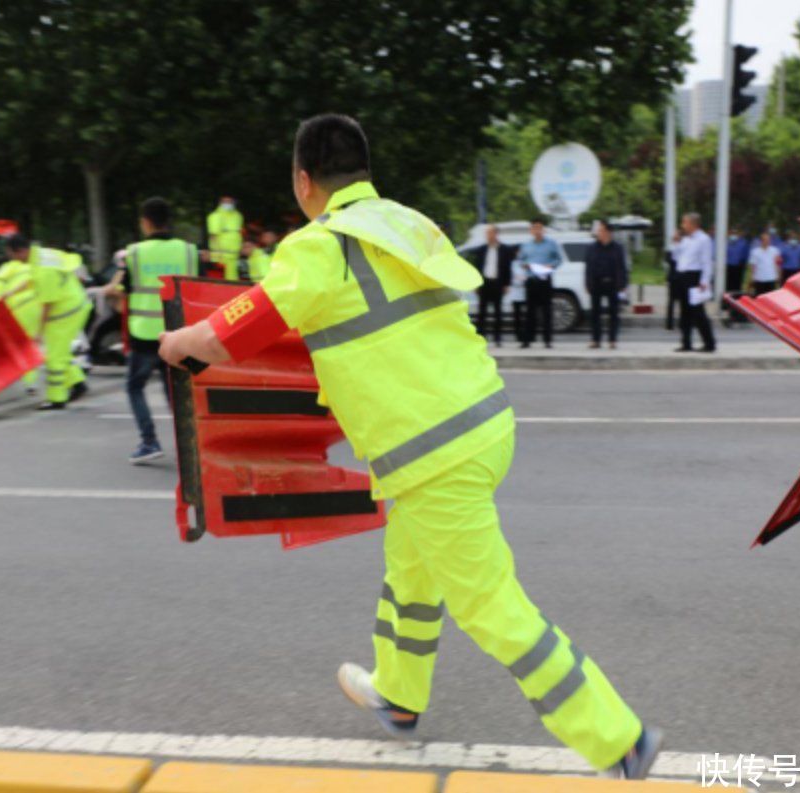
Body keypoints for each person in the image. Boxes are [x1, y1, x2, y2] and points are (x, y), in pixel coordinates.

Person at [156, 113, 662, 779]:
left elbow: (231, 334)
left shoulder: (319, 246)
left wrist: (176, 343)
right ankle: (398, 695)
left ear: (303, 180)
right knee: (411, 568)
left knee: (490, 605)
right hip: (480, 423)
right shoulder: (405, 222)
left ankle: (618, 739)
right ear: (364, 172)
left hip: (430, 451)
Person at [103, 197, 198, 461]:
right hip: (180, 333)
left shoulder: (134, 253)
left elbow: (120, 289)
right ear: (169, 221)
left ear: (145, 222)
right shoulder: (189, 251)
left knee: (135, 386)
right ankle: (190, 444)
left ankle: (149, 441)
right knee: (176, 391)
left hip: (144, 334)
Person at [2, 234, 91, 410]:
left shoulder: (43, 270)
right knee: (60, 350)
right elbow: (33, 281)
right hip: (74, 304)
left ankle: (57, 399)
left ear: (21, 251)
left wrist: (39, 333)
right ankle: (78, 382)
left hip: (66, 311)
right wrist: (11, 292)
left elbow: (47, 304)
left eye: (12, 256)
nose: (13, 260)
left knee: (54, 356)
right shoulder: (42, 255)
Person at [0, 253, 42, 394]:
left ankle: (28, 383)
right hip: (39, 305)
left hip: (20, 308)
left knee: (21, 347)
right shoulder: (30, 266)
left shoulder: (4, 270)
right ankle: (32, 382)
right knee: (35, 345)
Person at [674, 212, 717, 353]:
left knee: (698, 312)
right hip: (682, 276)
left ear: (693, 224)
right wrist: (676, 242)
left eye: (684, 222)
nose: (682, 225)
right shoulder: (685, 239)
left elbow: (707, 262)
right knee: (684, 312)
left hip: (694, 277)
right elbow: (677, 257)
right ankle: (686, 343)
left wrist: (704, 280)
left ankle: (709, 343)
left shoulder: (703, 239)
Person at [467, 224, 516, 347]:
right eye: (487, 233)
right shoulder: (481, 249)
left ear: (496, 234)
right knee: (482, 311)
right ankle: (481, 337)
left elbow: (507, 268)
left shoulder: (504, 249)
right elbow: (477, 268)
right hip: (484, 283)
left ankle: (497, 338)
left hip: (498, 283)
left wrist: (507, 284)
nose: (488, 235)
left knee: (497, 311)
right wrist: (476, 283)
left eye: (490, 233)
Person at [516, 218, 561, 349]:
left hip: (545, 280)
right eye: (534, 228)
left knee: (547, 311)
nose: (537, 230)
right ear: (531, 230)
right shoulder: (526, 245)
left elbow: (558, 259)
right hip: (531, 280)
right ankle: (527, 340)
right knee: (530, 311)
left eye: (539, 227)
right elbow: (520, 260)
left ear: (543, 229)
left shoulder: (551, 244)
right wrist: (525, 265)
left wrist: (550, 265)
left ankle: (547, 340)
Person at [585, 221, 628, 349]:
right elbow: (588, 267)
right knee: (595, 313)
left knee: (614, 313)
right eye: (598, 231)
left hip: (613, 283)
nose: (599, 233)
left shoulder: (617, 248)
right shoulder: (592, 248)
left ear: (608, 232)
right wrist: (587, 283)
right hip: (596, 283)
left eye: (602, 230)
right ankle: (595, 340)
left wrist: (623, 284)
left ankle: (612, 340)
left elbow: (622, 267)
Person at [206, 196, 244, 280]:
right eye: (225, 201)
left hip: (234, 254)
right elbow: (213, 236)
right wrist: (217, 254)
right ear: (220, 203)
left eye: (230, 201)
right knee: (218, 278)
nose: (228, 204)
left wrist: (240, 248)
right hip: (220, 254)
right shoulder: (215, 216)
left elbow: (240, 233)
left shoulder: (238, 216)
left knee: (233, 278)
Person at [664, 231, 682, 330]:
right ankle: (669, 324)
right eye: (674, 235)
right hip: (673, 276)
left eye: (677, 234)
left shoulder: (684, 247)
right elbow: (667, 260)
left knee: (682, 301)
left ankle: (682, 322)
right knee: (671, 301)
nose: (675, 236)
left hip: (681, 276)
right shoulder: (670, 247)